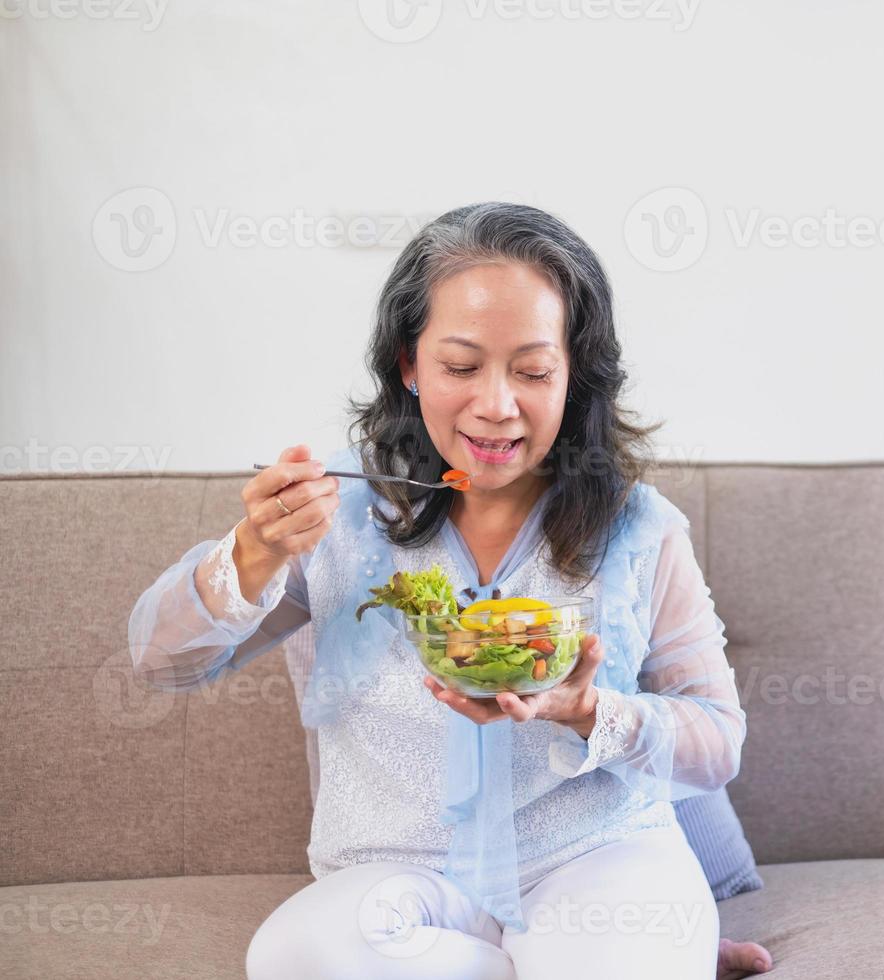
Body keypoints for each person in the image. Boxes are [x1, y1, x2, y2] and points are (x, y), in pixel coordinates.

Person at [127, 202, 773, 980]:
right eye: (461, 366)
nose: (497, 405)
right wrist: (254, 551)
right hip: (395, 875)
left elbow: (717, 742)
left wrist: (587, 710)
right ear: (409, 363)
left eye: (533, 371)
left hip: (597, 856)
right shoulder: (341, 516)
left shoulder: (638, 528)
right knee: (293, 957)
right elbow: (161, 662)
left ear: (575, 372)